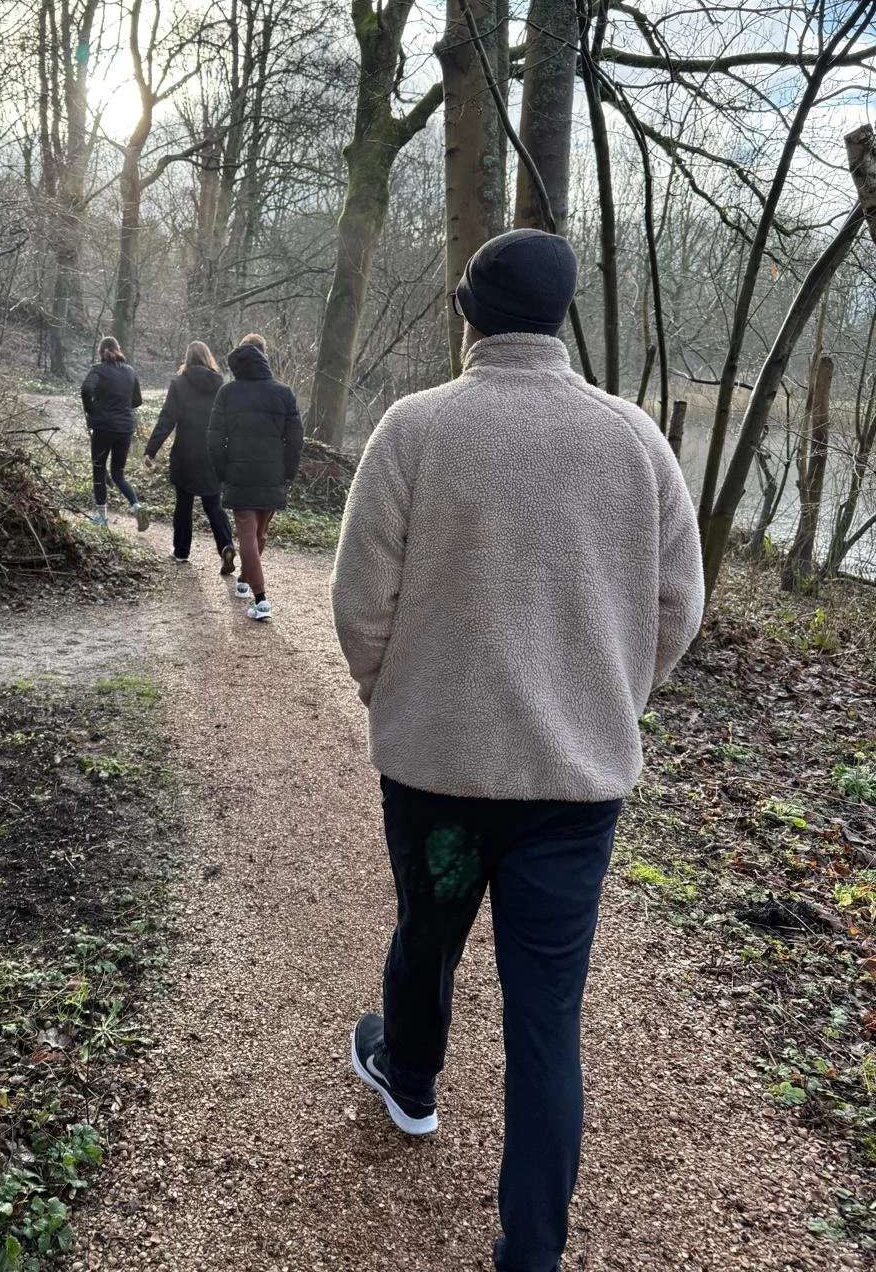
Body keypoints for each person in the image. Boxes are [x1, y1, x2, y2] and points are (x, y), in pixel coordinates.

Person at [330, 229, 704, 1272]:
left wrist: (393, 698)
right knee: (549, 1016)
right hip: (572, 793)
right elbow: (680, 604)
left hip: (438, 775)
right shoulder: (635, 442)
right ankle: (530, 1251)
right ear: (562, 317)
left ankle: (409, 1081)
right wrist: (610, 697)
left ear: (470, 317)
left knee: (428, 931)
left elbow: (360, 603)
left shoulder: (414, 429)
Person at [207, 332, 303, 622]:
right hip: (272, 473)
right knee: (257, 534)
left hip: (239, 472)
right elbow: (295, 439)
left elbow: (214, 439)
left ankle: (260, 601)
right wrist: (287, 471)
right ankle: (247, 585)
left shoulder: (227, 393)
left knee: (250, 534)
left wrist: (223, 471)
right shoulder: (283, 393)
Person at [143, 340, 237, 576]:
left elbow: (167, 419)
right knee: (213, 504)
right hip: (212, 454)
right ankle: (225, 545)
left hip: (185, 452)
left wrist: (151, 450)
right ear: (208, 358)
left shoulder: (179, 384)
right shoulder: (221, 385)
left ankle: (181, 551)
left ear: (187, 358)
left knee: (183, 504)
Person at [80, 336, 150, 531]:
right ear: (118, 350)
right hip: (125, 428)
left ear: (102, 352)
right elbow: (137, 401)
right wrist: (121, 405)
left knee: (99, 468)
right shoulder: (130, 371)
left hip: (104, 428)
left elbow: (86, 389)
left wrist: (91, 409)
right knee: (118, 473)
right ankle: (137, 506)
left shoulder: (98, 370)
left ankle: (101, 517)